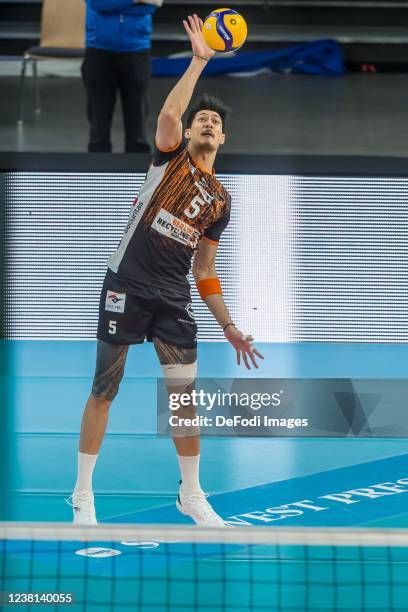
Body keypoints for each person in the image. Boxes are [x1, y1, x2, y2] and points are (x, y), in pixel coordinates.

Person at [69, 14, 264, 526]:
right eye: (202, 118)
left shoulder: (221, 200)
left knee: (183, 400)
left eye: (216, 123)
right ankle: (83, 496)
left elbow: (204, 269)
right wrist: (199, 61)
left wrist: (229, 325)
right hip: (127, 285)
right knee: (104, 388)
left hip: (171, 298)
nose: (207, 123)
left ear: (222, 139)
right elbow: (171, 113)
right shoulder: (169, 158)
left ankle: (192, 494)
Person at [82, 0, 162, 153]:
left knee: (137, 130)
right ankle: (97, 172)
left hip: (137, 50)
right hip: (98, 50)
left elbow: (152, 4)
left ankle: (138, 172)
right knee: (98, 131)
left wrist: (111, 6)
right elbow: (96, 4)